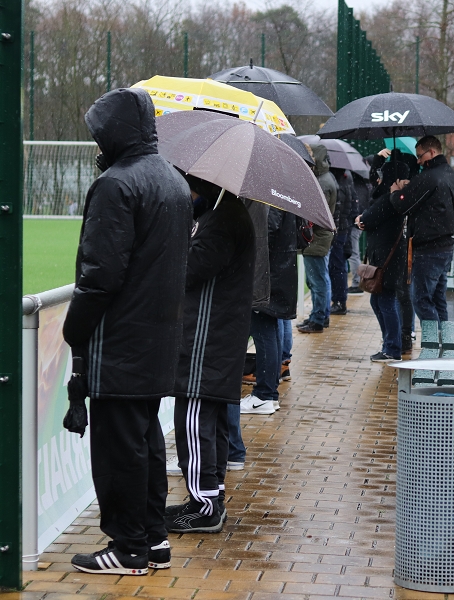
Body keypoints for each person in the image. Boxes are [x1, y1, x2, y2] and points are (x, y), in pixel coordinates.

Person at [63, 88, 192, 574]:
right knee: (146, 443)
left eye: (99, 132)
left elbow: (100, 276)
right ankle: (152, 540)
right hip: (158, 340)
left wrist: (74, 330)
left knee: (120, 450)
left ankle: (128, 547)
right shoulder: (174, 181)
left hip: (121, 343)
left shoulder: (118, 185)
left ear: (113, 131)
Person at [167, 177, 255, 534]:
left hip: (207, 340)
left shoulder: (222, 220)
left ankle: (204, 505)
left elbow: (187, 271)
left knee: (194, 417)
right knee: (210, 419)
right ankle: (209, 498)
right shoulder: (225, 214)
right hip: (216, 337)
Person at [389, 136, 454, 323]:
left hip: (428, 248)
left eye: (420, 156)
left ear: (432, 152)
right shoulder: (452, 175)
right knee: (438, 300)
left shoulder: (428, 177)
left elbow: (402, 205)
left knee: (420, 300)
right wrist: (411, 186)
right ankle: (444, 341)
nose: (418, 160)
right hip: (445, 246)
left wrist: (396, 192)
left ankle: (433, 342)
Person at [241, 205, 298, 414]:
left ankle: (264, 395)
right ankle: (268, 394)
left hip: (267, 274)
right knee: (270, 331)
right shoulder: (282, 194)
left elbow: (265, 233)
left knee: (264, 333)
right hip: (277, 271)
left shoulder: (269, 198)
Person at [356, 159, 408, 362]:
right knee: (379, 300)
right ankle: (390, 344)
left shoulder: (390, 199)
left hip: (387, 259)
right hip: (386, 257)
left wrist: (362, 219)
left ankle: (392, 348)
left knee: (384, 301)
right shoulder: (391, 198)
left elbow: (369, 218)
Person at [297, 144, 337, 333]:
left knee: (318, 281)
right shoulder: (325, 179)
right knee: (320, 280)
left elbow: (316, 213)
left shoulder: (322, 183)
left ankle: (318, 319)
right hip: (321, 237)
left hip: (318, 239)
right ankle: (320, 316)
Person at [329, 168, 358, 316]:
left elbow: (340, 208)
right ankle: (339, 300)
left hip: (337, 230)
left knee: (336, 268)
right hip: (343, 229)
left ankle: (338, 301)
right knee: (338, 267)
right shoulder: (347, 179)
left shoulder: (336, 180)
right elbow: (353, 205)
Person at [347, 171, 372, 294]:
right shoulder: (366, 185)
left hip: (355, 224)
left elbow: (357, 207)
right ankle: (357, 281)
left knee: (353, 254)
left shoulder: (359, 186)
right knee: (354, 254)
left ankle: (357, 282)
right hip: (358, 223)